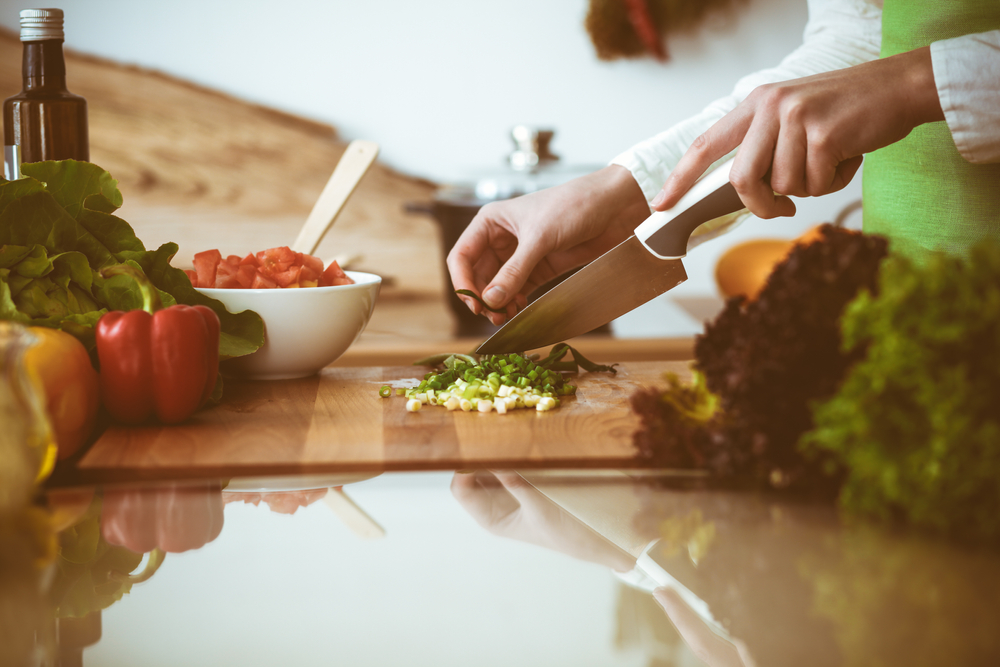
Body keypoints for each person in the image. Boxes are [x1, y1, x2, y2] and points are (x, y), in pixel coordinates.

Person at [448, 0, 1000, 326]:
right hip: (910, 306)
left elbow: (890, 70)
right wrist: (625, 193)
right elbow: (862, 31)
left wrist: (916, 83)